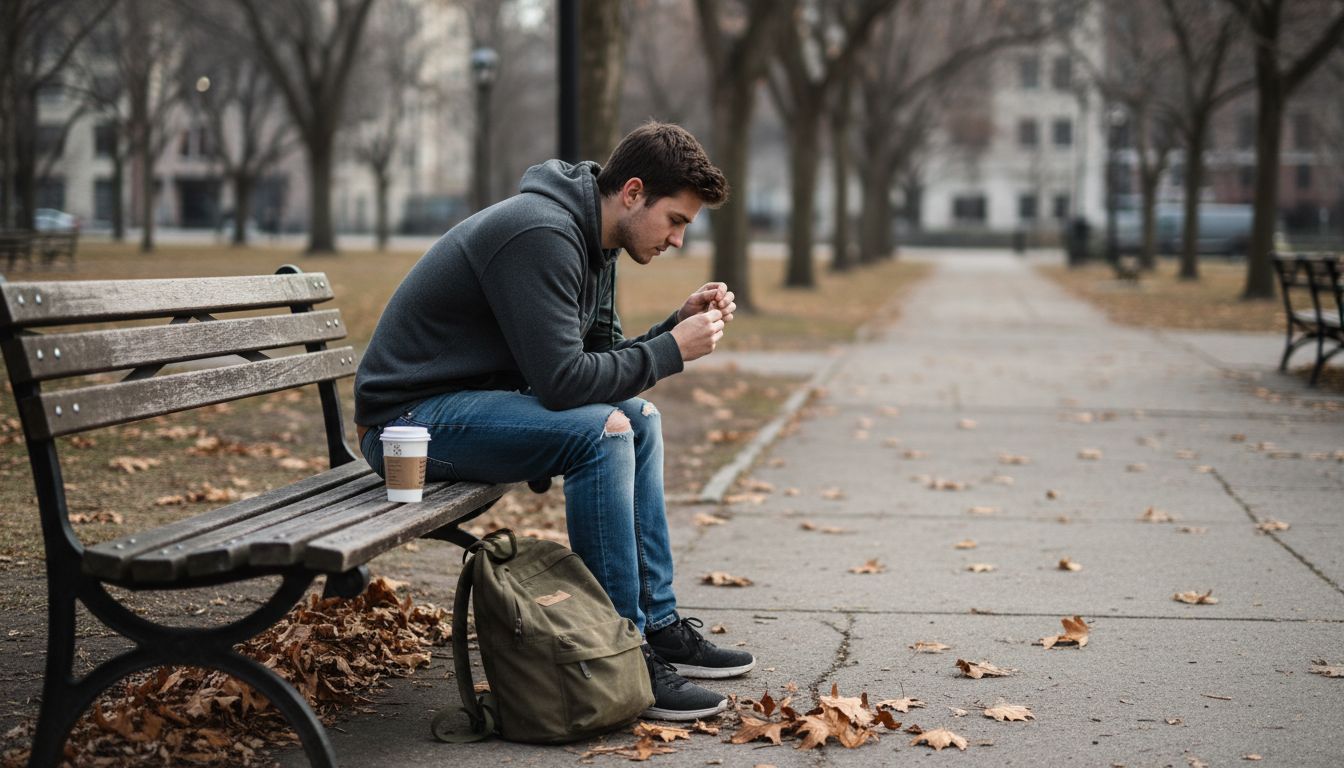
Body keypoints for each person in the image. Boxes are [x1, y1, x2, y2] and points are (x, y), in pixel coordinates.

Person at [354, 122, 754, 721]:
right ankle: (623, 655)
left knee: (636, 416)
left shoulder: (598, 243)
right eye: (676, 221)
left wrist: (673, 327)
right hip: (407, 425)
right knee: (604, 431)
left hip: (466, 407)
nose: (677, 240)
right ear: (634, 192)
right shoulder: (540, 233)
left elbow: (600, 364)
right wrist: (672, 350)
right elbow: (565, 385)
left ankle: (659, 622)